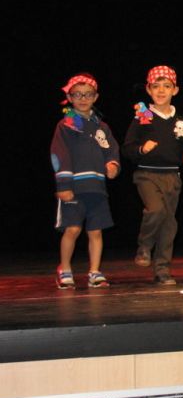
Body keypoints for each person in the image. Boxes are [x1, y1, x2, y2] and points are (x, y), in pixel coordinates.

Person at [123, 65, 183, 285]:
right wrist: (141, 149)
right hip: (147, 175)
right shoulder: (142, 117)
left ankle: (162, 269)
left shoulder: (180, 121)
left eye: (166, 86)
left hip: (172, 177)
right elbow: (127, 148)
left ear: (175, 90)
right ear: (148, 89)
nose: (161, 90)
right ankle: (144, 246)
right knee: (156, 210)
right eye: (156, 86)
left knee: (169, 224)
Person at [51, 73, 120, 288]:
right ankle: (64, 268)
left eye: (88, 94)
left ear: (95, 97)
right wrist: (64, 185)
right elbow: (59, 155)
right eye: (78, 94)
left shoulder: (102, 127)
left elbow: (111, 150)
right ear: (69, 97)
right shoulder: (66, 125)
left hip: (96, 187)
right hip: (74, 187)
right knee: (72, 229)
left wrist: (112, 165)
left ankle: (95, 271)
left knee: (96, 231)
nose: (83, 99)